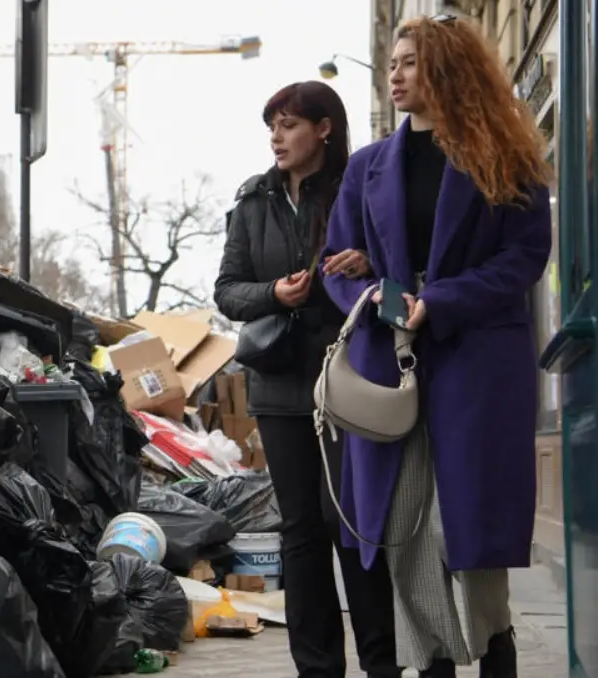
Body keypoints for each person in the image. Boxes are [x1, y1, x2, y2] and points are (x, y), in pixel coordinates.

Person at [320, 15, 552, 678]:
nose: (394, 74)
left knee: (467, 536)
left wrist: (438, 303)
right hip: (387, 368)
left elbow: (523, 258)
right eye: (391, 62)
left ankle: (494, 648)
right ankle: (434, 665)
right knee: (400, 529)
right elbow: (337, 262)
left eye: (409, 63)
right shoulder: (366, 168)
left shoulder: (503, 157)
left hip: (477, 365)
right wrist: (385, 300)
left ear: (447, 70)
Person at [213, 81, 401, 678]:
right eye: (272, 125)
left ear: (324, 128)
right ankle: (317, 667)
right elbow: (227, 291)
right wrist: (273, 292)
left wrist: (371, 265)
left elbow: (397, 270)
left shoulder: (362, 185)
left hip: (348, 377)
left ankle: (381, 662)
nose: (276, 136)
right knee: (300, 530)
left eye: (289, 124)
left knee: (348, 521)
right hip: (278, 383)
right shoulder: (252, 201)